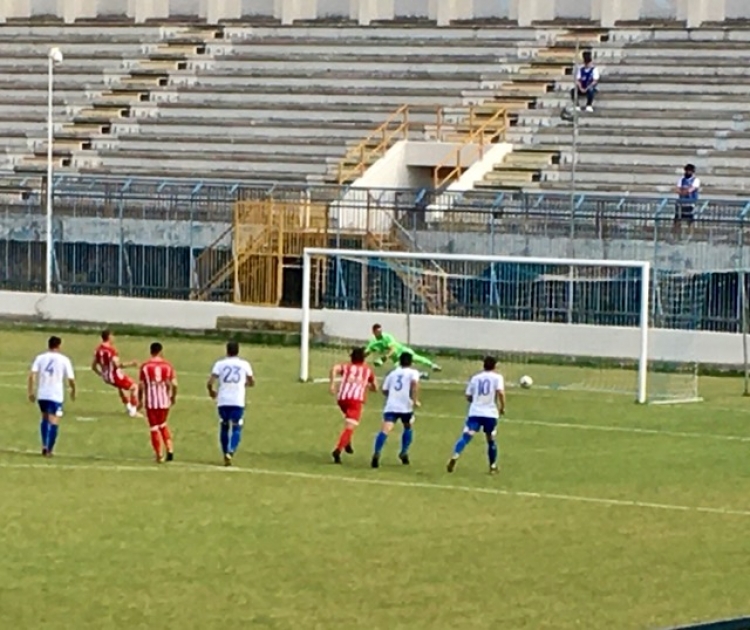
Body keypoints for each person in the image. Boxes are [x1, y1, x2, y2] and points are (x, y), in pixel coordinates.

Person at [446, 356, 505, 475]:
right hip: (490, 414)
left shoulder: (475, 378)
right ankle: (492, 466)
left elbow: (468, 396)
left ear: (483, 365)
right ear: (494, 366)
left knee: (466, 436)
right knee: (491, 440)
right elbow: (500, 392)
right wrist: (502, 407)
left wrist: (476, 401)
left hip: (475, 412)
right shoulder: (497, 378)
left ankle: (455, 455)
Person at [207, 341, 254, 466]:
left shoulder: (220, 364)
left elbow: (210, 381)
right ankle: (231, 450)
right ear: (238, 351)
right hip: (237, 400)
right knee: (237, 426)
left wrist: (211, 391)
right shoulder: (244, 364)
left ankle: (224, 453)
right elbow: (251, 381)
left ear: (227, 350)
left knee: (224, 425)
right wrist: (243, 384)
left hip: (223, 400)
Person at [28, 336, 76, 457]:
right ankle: (49, 449)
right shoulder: (64, 359)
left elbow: (32, 375)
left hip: (42, 394)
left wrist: (31, 391)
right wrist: (73, 390)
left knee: (44, 418)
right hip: (56, 395)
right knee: (54, 421)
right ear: (59, 346)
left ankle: (44, 445)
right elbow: (71, 379)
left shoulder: (40, 358)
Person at [371, 352, 421, 469]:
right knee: (408, 426)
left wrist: (394, 395)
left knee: (385, 430)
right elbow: (414, 384)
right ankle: (403, 452)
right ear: (411, 362)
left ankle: (377, 452)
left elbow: (384, 390)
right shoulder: (413, 373)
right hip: (406, 406)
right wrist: (415, 399)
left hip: (391, 406)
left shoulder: (392, 374)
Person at [330, 347, 376, 464]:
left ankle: (347, 442)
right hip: (355, 400)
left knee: (349, 422)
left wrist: (332, 384)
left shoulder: (347, 367)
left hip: (342, 399)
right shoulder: (367, 371)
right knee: (350, 427)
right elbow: (375, 387)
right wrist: (368, 386)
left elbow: (335, 368)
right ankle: (338, 450)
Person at [138, 342, 177, 464]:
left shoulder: (145, 366)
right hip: (164, 401)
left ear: (151, 352)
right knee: (163, 424)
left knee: (154, 428)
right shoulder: (168, 366)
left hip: (151, 402)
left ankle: (159, 455)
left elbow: (141, 386)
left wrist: (140, 400)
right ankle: (170, 448)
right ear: (160, 351)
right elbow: (174, 384)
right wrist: (173, 396)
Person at [92, 329, 140, 418]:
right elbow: (118, 365)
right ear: (109, 337)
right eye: (112, 336)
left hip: (106, 377)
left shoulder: (98, 350)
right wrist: (131, 364)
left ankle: (128, 407)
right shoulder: (111, 350)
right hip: (114, 376)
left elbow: (93, 366)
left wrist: (102, 374)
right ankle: (133, 411)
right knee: (134, 387)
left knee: (121, 388)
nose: (114, 338)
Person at [365, 323, 441, 378]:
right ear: (374, 332)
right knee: (400, 371)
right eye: (378, 332)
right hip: (396, 359)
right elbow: (367, 352)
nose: (380, 333)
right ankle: (421, 375)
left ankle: (433, 365)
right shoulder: (373, 342)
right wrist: (359, 359)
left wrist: (384, 358)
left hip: (403, 352)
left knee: (417, 359)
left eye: (381, 331)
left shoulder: (387, 337)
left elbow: (393, 349)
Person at [674, 163, 700, 237]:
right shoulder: (681, 179)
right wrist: (683, 191)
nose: (688, 172)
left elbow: (691, 190)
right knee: (677, 219)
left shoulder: (696, 180)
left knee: (690, 220)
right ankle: (676, 235)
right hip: (681, 202)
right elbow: (677, 189)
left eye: (689, 171)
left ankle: (691, 235)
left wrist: (684, 191)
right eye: (687, 170)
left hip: (690, 203)